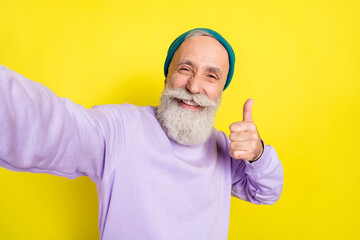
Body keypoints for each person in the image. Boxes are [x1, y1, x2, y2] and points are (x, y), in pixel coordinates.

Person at [0, 28, 284, 240]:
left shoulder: (224, 146)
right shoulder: (124, 127)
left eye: (211, 76)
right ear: (167, 77)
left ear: (221, 91)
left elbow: (268, 192)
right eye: (185, 69)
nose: (194, 87)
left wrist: (258, 153)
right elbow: (54, 127)